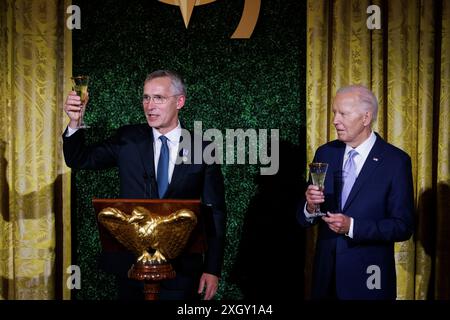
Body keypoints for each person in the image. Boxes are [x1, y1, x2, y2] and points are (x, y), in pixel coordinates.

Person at [62, 70, 226, 300]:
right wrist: (75, 121)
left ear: (180, 101)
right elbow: (79, 158)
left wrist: (212, 269)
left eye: (159, 98)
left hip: (181, 273)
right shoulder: (128, 139)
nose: (150, 105)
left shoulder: (202, 148)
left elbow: (215, 213)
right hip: (131, 271)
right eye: (146, 97)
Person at [298, 85, 414, 300]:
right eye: (334, 112)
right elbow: (304, 217)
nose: (335, 120)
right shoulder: (325, 152)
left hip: (369, 279)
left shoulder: (396, 161)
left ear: (365, 117)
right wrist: (310, 207)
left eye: (343, 113)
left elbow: (402, 226)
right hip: (326, 278)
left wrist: (352, 226)